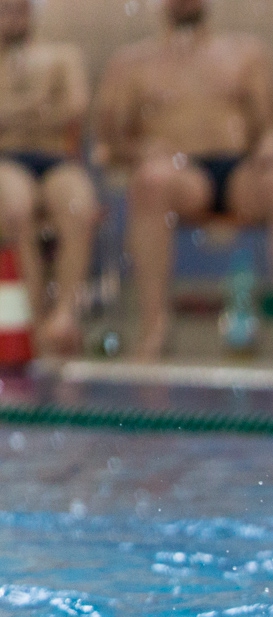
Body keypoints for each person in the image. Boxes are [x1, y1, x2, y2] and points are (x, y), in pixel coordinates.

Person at [94, 0, 273, 363]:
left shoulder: (245, 52)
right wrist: (141, 152)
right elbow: (108, 143)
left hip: (240, 171)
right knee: (151, 183)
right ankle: (155, 328)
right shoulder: (131, 63)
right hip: (180, 176)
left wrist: (269, 145)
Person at [0, 0, 96, 353]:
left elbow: (76, 107)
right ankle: (36, 322)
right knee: (16, 208)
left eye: (20, 10)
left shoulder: (61, 56)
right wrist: (41, 105)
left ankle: (64, 315)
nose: (13, 17)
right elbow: (56, 108)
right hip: (6, 161)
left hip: (56, 159)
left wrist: (11, 112)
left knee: (79, 205)